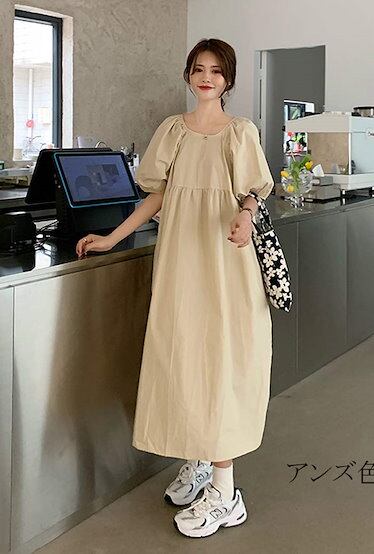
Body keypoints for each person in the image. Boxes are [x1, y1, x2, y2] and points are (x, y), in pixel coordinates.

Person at [75, 38, 274, 539]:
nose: (206, 77)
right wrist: (112, 238)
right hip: (181, 262)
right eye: (198, 68)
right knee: (183, 353)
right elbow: (158, 196)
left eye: (216, 70)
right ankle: (200, 460)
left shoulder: (240, 132)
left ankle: (227, 494)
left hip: (224, 263)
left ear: (228, 80)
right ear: (188, 75)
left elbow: (253, 191)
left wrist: (246, 217)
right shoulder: (173, 131)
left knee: (221, 359)